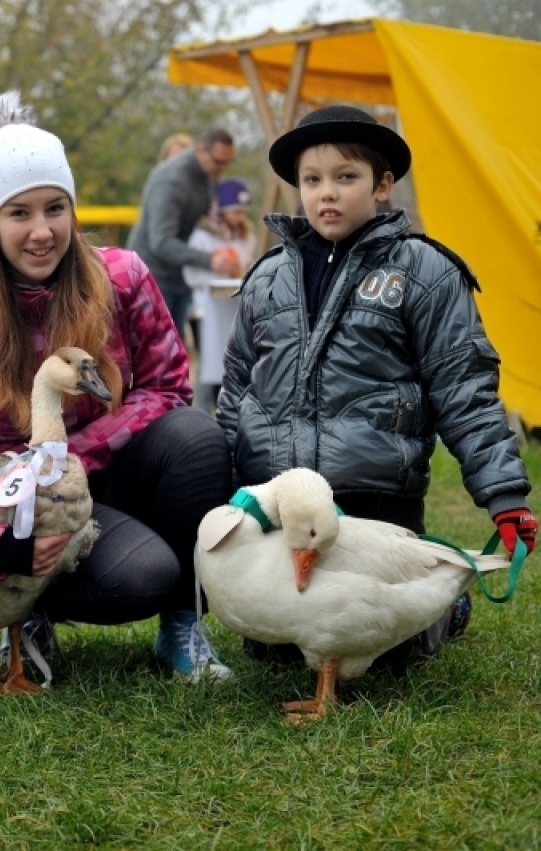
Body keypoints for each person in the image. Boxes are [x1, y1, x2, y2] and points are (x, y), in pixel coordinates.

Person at [219, 105, 534, 672]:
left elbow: (465, 390)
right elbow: (237, 388)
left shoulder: (425, 271)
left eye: (346, 177)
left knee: (382, 657)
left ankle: (441, 607)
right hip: (282, 503)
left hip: (373, 501)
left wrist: (505, 497)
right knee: (276, 652)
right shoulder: (266, 278)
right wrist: (220, 491)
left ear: (383, 184)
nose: (326, 194)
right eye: (313, 180)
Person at [0, 92, 235, 682]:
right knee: (143, 577)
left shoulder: (122, 277)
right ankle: (26, 610)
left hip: (116, 471)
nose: (43, 230)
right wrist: (9, 538)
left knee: (197, 437)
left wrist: (72, 456)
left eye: (56, 208)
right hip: (30, 509)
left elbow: (170, 389)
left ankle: (183, 625)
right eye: (19, 213)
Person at [128, 127, 243, 339]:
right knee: (160, 353)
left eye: (228, 162)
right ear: (201, 151)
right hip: (152, 278)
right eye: (219, 162)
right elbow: (161, 241)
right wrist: (210, 260)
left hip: (179, 277)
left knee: (177, 351)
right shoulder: (171, 181)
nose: (223, 169)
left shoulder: (208, 175)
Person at [184, 178, 258, 411]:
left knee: (234, 364)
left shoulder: (246, 236)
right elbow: (191, 276)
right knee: (209, 365)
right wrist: (217, 272)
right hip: (206, 311)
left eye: (243, 212)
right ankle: (200, 413)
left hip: (234, 310)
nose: (240, 217)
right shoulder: (202, 237)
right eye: (235, 211)